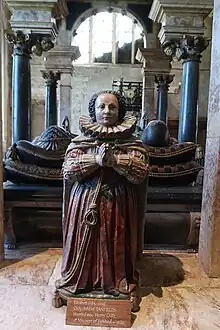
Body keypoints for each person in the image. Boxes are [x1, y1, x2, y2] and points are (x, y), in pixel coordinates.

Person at [53, 90, 148, 312]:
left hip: (118, 202)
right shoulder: (80, 142)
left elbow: (140, 172)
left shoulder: (132, 143)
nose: (107, 111)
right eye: (101, 107)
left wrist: (116, 160)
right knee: (83, 244)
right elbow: (69, 170)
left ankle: (118, 283)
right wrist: (95, 160)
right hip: (85, 200)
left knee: (116, 242)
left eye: (112, 107)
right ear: (93, 111)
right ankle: (79, 281)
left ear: (120, 111)